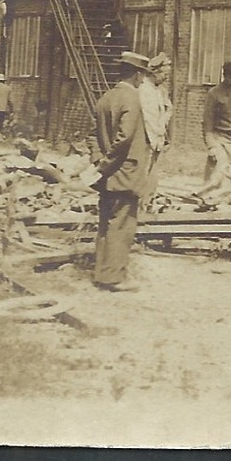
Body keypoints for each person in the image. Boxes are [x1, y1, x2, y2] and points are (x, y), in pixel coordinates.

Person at [89, 52, 152, 292]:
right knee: (122, 224)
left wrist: (98, 163)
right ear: (137, 75)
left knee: (106, 222)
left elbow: (92, 135)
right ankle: (114, 278)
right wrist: (107, 163)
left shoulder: (106, 97)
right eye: (143, 76)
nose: (143, 80)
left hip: (107, 175)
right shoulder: (132, 98)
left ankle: (102, 273)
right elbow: (124, 138)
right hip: (125, 172)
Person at [198, 61, 231, 206]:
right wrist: (211, 146)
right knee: (219, 172)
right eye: (230, 77)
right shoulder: (214, 93)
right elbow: (207, 121)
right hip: (220, 138)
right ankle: (210, 201)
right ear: (224, 75)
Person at [138, 51, 174, 210]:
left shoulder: (160, 91)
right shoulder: (144, 90)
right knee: (142, 175)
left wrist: (162, 135)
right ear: (155, 72)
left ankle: (147, 204)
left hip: (157, 140)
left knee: (152, 176)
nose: (166, 78)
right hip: (146, 141)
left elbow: (168, 109)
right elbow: (147, 119)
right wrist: (154, 140)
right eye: (164, 74)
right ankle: (138, 207)